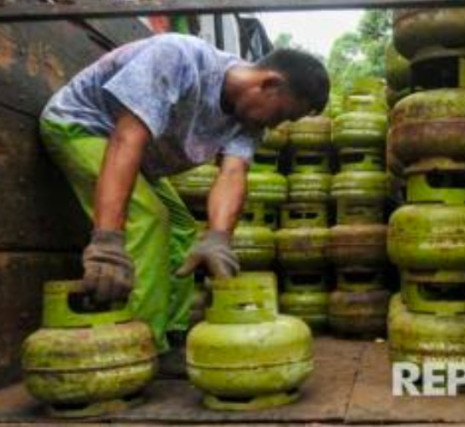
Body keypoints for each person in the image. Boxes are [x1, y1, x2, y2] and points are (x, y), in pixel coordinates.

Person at [39, 33, 329, 353]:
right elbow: (127, 137)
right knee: (148, 217)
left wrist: (218, 236)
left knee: (182, 228)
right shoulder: (178, 58)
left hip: (138, 159)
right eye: (282, 115)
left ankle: (171, 333)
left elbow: (233, 173)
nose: (276, 125)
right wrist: (107, 241)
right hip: (82, 126)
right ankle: (138, 345)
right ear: (269, 83)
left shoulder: (249, 122)